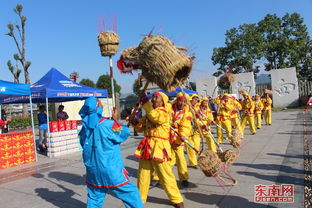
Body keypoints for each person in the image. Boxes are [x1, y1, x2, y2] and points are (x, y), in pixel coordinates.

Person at [79, 97, 143, 208]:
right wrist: (117, 120)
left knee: (94, 197)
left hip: (92, 170)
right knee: (131, 193)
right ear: (98, 107)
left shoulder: (84, 128)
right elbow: (124, 133)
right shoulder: (108, 124)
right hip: (111, 169)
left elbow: (82, 143)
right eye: (99, 102)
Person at [130, 92, 184, 208]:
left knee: (165, 175)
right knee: (143, 175)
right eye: (152, 97)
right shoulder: (149, 113)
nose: (153, 100)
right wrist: (134, 121)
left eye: (156, 97)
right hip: (147, 146)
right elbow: (140, 128)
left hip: (160, 147)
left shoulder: (164, 113)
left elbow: (155, 118)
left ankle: (176, 199)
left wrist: (145, 103)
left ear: (162, 101)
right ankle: (140, 200)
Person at [169, 92, 192, 187]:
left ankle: (184, 178)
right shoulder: (169, 108)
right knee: (165, 158)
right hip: (166, 137)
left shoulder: (187, 112)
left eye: (184, 101)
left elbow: (186, 126)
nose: (182, 103)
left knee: (180, 158)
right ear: (176, 100)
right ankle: (158, 177)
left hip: (178, 138)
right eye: (180, 100)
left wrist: (183, 135)